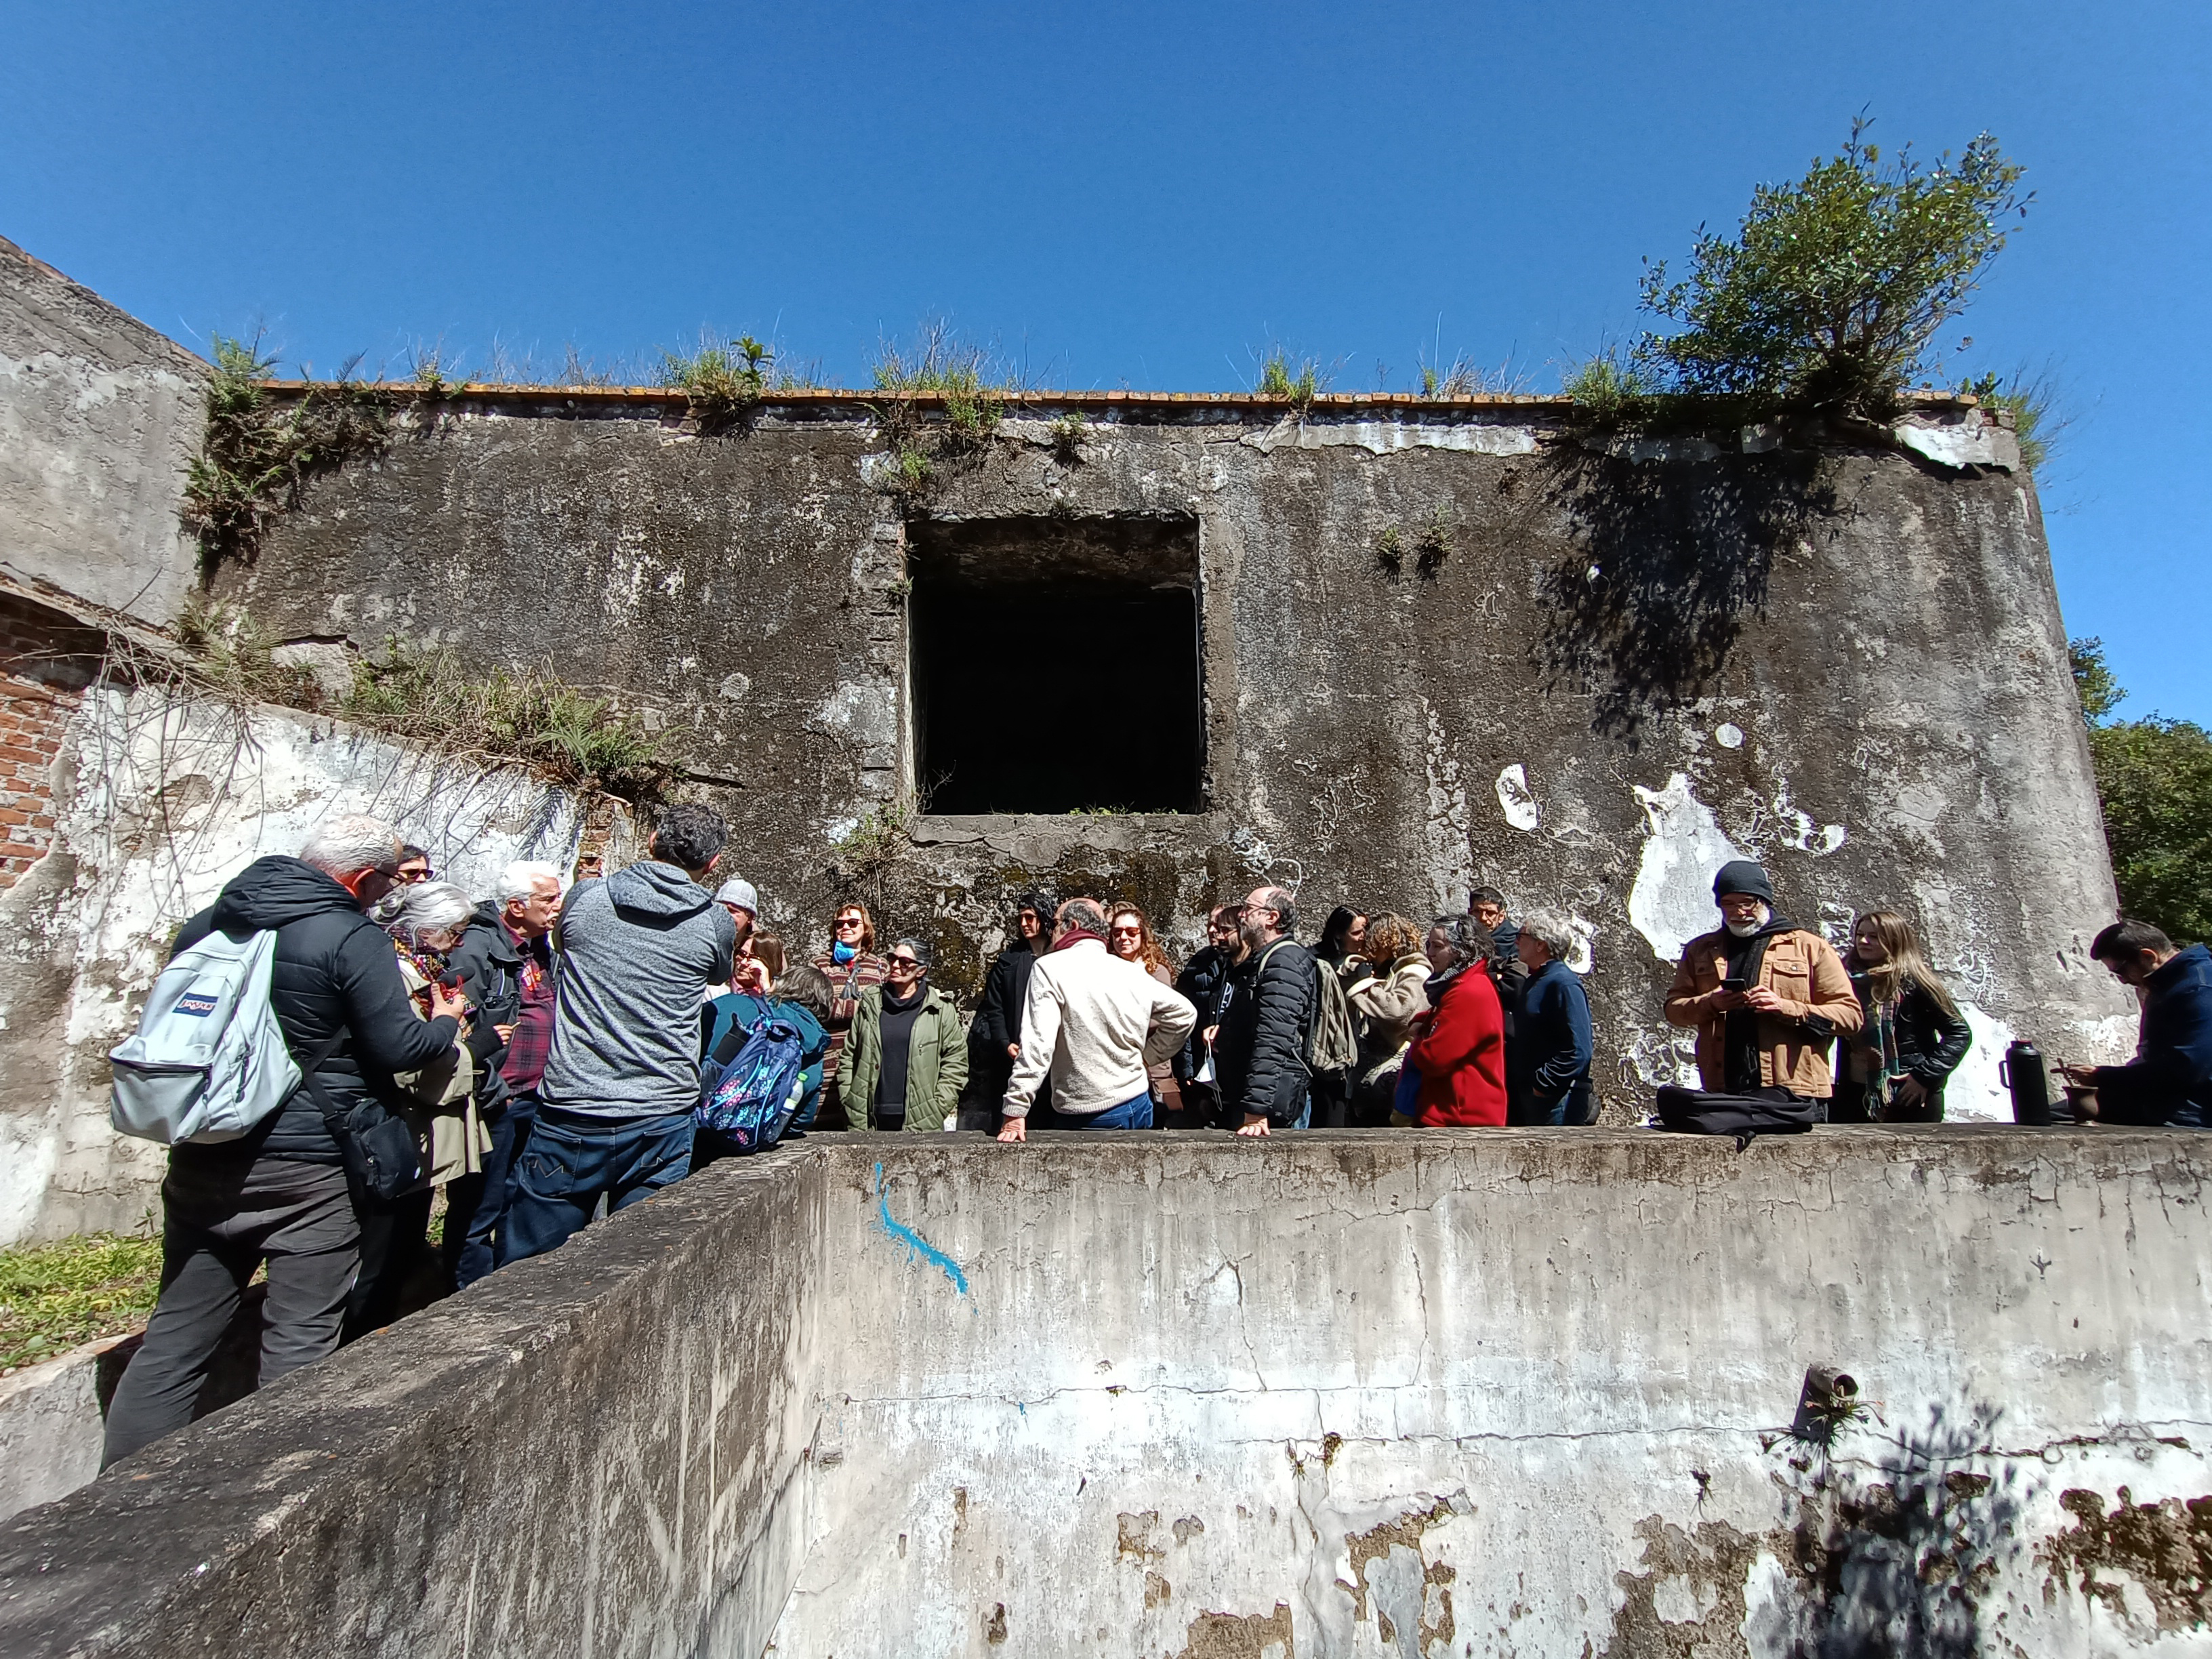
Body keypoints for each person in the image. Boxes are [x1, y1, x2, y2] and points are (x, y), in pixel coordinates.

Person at [102, 816, 462, 1468]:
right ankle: (271, 1494)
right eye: (384, 883)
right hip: (311, 1163)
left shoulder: (211, 921)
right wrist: (445, 1024)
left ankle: (117, 1497)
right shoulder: (351, 935)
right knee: (301, 1334)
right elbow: (397, 1047)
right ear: (362, 878)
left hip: (204, 1150)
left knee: (176, 1337)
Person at [500, 804, 737, 1265]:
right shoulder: (714, 922)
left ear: (651, 841)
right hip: (661, 1114)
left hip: (574, 1108)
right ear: (712, 865)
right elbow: (718, 970)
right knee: (637, 1268)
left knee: (530, 1272)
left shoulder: (586, 899)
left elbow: (565, 944)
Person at [348, 881, 489, 1340]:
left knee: (404, 1242)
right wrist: (468, 1043)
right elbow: (410, 1058)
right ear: (426, 930)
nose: (462, 941)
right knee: (380, 1252)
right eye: (455, 931)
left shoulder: (423, 967)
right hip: (402, 1126)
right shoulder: (398, 973)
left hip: (419, 1129)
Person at [442, 860, 562, 1288]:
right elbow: (457, 1028)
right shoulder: (478, 948)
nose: (557, 905)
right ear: (515, 906)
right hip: (496, 1098)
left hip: (534, 1095)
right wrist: (494, 1090)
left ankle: (502, 1286)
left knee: (516, 1196)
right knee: (478, 1208)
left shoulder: (539, 946)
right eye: (548, 898)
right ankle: (463, 1300)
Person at [1662, 860, 1862, 1116]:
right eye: (1728, 903)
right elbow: (1674, 1010)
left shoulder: (1811, 948)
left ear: (1764, 900)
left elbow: (1850, 1017)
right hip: (1725, 1090)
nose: (1739, 912)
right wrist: (1711, 1003)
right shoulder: (1700, 949)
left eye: (1747, 902)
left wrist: (1785, 1007)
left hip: (1794, 1092)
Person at [998, 899, 1195, 1139]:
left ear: (1073, 925)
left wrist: (1016, 1109)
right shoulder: (1131, 971)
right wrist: (1148, 1056)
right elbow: (1185, 1013)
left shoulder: (1049, 968)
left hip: (1088, 1111)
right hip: (1139, 1101)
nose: (1051, 931)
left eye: (1056, 923)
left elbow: (1038, 1045)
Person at [2061, 921, 2212, 1127]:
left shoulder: (2199, 989)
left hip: (2190, 1109)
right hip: (2165, 1098)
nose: (2122, 980)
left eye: (2121, 971)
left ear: (2149, 956)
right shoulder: (2170, 984)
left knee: (2058, 1118)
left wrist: (2104, 1077)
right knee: (2054, 1113)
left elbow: (2189, 1068)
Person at [1835, 909, 1972, 1123]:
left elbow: (1959, 1033)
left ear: (1895, 940)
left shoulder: (1915, 983)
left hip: (1908, 1093)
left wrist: (1924, 1077)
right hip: (1855, 1092)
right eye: (1860, 934)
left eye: (1874, 936)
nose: (1863, 941)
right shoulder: (1842, 979)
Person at [697, 962, 835, 1166]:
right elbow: (799, 1123)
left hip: (698, 1128)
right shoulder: (814, 1049)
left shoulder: (736, 1006)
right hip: (749, 1146)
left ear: (784, 985)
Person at [1216, 886, 1316, 1138]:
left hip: (1268, 1109)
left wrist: (1256, 1110)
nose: (1241, 915)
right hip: (1258, 1099)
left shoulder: (1284, 963)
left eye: (1248, 908)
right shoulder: (1267, 959)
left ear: (1271, 918)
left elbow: (1274, 1039)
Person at [842, 939, 969, 1132]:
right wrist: (849, 1099)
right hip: (868, 1120)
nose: (894, 965)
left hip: (921, 1121)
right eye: (893, 958)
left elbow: (956, 1062)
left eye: (904, 962)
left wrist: (937, 1107)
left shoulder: (940, 1010)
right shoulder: (871, 1004)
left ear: (921, 971)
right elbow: (849, 1055)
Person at [1403, 914, 1509, 1126]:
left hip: (1461, 1118)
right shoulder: (1462, 983)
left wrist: (1419, 1040)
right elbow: (1447, 1019)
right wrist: (1425, 1022)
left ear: (1462, 950)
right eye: (1429, 945)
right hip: (1453, 1112)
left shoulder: (1468, 991)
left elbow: (1436, 1058)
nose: (1430, 953)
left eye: (1437, 946)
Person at [967, 892, 1055, 1131]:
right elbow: (994, 1008)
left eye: (1030, 917)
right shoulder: (1008, 962)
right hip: (1014, 1055)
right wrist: (1005, 1042)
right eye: (1021, 919)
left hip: (1055, 1061)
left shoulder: (1061, 959)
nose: (1024, 924)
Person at [1346, 913, 1435, 1124]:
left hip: (1393, 1077)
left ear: (1385, 942)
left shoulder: (1414, 972)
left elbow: (1400, 1011)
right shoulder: (1394, 972)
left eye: (1371, 942)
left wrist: (1365, 986)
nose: (1368, 950)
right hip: (1382, 1082)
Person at [1510, 908, 1595, 1125]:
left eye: (1522, 936)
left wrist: (1542, 1084)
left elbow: (1579, 1050)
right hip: (1533, 1097)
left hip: (1555, 1101)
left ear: (1541, 944)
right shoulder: (1537, 979)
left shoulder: (1563, 983)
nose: (1517, 941)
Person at [812, 901, 887, 1131]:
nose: (846, 927)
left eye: (853, 922)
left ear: (865, 929)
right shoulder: (819, 965)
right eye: (840, 924)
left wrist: (841, 1007)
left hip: (865, 1059)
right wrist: (862, 1007)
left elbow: (886, 1009)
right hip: (827, 1062)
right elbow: (816, 1006)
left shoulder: (881, 967)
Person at [1109, 904, 1184, 1122]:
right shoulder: (1105, 970)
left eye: (1131, 932)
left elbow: (1163, 1017)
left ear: (1143, 935)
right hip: (1116, 1069)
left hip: (1153, 1068)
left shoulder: (1156, 972)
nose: (1123, 937)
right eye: (1117, 932)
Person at [1172, 904, 1241, 1129]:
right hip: (1204, 1067)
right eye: (1211, 924)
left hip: (1234, 1069)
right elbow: (1184, 1019)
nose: (1213, 930)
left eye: (1220, 926)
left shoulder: (1247, 966)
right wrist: (1187, 1068)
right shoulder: (1197, 964)